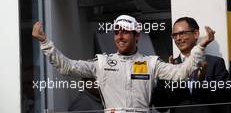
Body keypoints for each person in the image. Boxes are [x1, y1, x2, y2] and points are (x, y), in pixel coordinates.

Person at [32, 15, 215, 112]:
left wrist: (200, 47)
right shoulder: (102, 61)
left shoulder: (151, 62)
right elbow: (67, 67)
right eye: (117, 32)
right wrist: (45, 43)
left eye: (126, 32)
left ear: (137, 36)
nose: (120, 36)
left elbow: (181, 73)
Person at [151, 17, 230, 113]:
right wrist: (170, 81)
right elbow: (160, 107)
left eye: (182, 33)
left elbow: (226, 98)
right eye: (175, 35)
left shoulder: (215, 63)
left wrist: (203, 82)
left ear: (196, 34)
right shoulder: (169, 67)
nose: (178, 38)